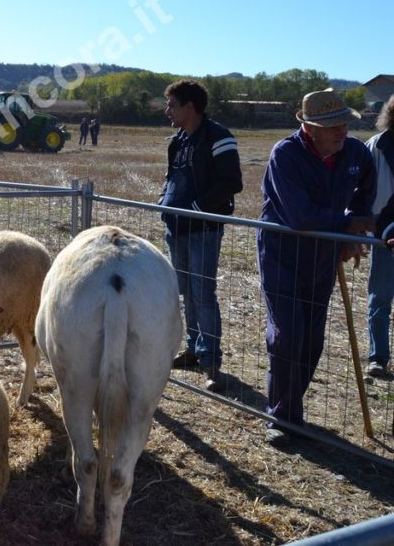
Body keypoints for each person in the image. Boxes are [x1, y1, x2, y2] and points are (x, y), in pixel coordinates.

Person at [258, 88, 376, 448]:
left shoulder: (354, 153)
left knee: (312, 338)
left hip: (322, 255)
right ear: (309, 128)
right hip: (283, 253)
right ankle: (282, 416)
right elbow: (300, 216)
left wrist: (354, 228)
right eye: (331, 125)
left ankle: (291, 406)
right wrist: (348, 227)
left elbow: (365, 195)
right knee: (287, 334)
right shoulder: (286, 155)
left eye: (343, 123)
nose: (341, 131)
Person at [159, 80, 243, 393]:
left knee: (203, 294)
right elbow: (171, 177)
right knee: (186, 293)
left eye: (172, 105)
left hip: (202, 230)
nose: (168, 111)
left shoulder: (219, 137)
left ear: (189, 107)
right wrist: (163, 200)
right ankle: (193, 349)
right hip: (176, 228)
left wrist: (196, 208)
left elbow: (231, 182)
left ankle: (211, 361)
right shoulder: (177, 141)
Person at [363, 96, 394, 378]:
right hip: (384, 238)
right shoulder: (375, 147)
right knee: (380, 299)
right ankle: (378, 357)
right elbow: (361, 191)